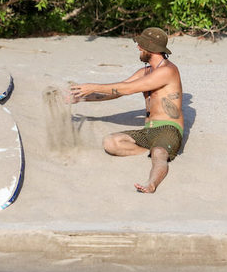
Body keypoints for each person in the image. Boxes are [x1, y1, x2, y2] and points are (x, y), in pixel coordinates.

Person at [68, 28, 184, 194]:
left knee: (159, 153)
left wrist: (92, 86)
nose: (138, 48)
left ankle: (151, 184)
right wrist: (81, 97)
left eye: (141, 45)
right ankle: (147, 150)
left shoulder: (167, 71)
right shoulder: (145, 71)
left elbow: (128, 89)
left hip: (168, 129)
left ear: (150, 48)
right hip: (148, 130)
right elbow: (118, 91)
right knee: (110, 142)